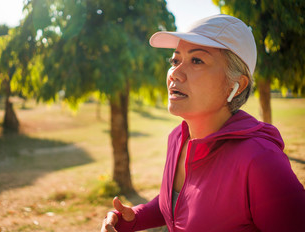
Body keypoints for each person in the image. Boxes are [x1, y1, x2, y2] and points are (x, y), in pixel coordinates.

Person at [100, 14, 305, 232]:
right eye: (175, 60)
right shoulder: (177, 138)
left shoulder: (261, 161)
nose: (175, 74)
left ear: (236, 85)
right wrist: (135, 218)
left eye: (197, 60)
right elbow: (180, 202)